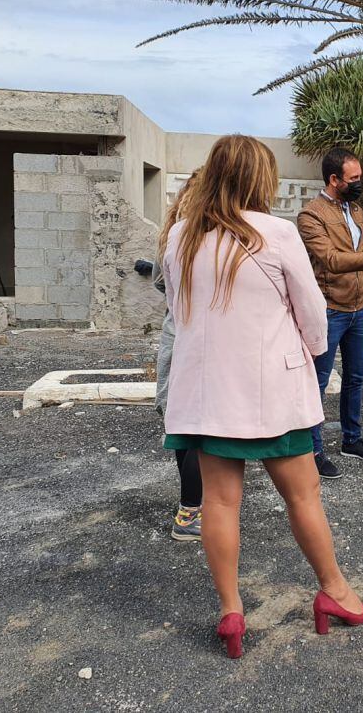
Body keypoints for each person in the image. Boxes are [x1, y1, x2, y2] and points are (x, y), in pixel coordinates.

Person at [162, 135, 363, 658]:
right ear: (261, 178)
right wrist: (310, 357)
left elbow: (178, 308)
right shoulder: (277, 233)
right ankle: (335, 593)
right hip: (271, 393)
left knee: (218, 501)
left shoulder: (182, 236)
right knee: (303, 495)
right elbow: (312, 314)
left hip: (208, 395)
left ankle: (231, 612)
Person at [297, 147, 363, 479]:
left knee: (356, 378)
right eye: (354, 178)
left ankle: (352, 440)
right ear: (334, 180)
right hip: (330, 310)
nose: (360, 182)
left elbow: (354, 253)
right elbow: (331, 259)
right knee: (318, 381)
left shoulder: (355, 209)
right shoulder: (310, 216)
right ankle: (313, 450)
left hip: (359, 309)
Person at [154, 171, 202, 541]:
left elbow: (159, 281)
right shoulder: (199, 235)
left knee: (182, 427)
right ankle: (190, 514)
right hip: (194, 338)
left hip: (174, 335)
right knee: (198, 432)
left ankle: (190, 508)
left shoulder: (171, 231)